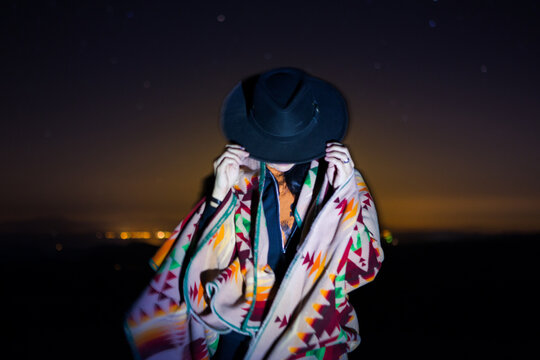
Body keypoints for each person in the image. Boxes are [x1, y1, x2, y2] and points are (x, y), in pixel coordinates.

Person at [124, 67, 384, 359]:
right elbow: (200, 264)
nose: (282, 151)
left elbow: (362, 266)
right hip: (238, 332)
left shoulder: (339, 174)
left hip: (310, 330)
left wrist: (344, 193)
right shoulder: (238, 177)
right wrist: (219, 194)